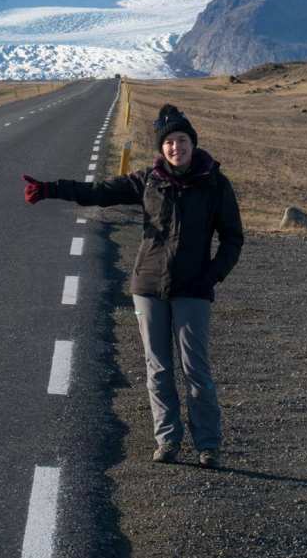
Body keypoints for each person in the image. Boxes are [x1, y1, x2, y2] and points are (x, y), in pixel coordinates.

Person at [21, 103, 243, 467]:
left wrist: (212, 274)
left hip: (193, 289)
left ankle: (207, 445)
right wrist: (50, 189)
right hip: (149, 286)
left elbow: (233, 238)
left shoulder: (215, 184)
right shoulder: (148, 181)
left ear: (193, 143)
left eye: (182, 140)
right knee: (158, 368)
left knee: (196, 369)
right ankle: (167, 440)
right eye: (169, 142)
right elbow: (99, 193)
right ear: (162, 147)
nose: (176, 148)